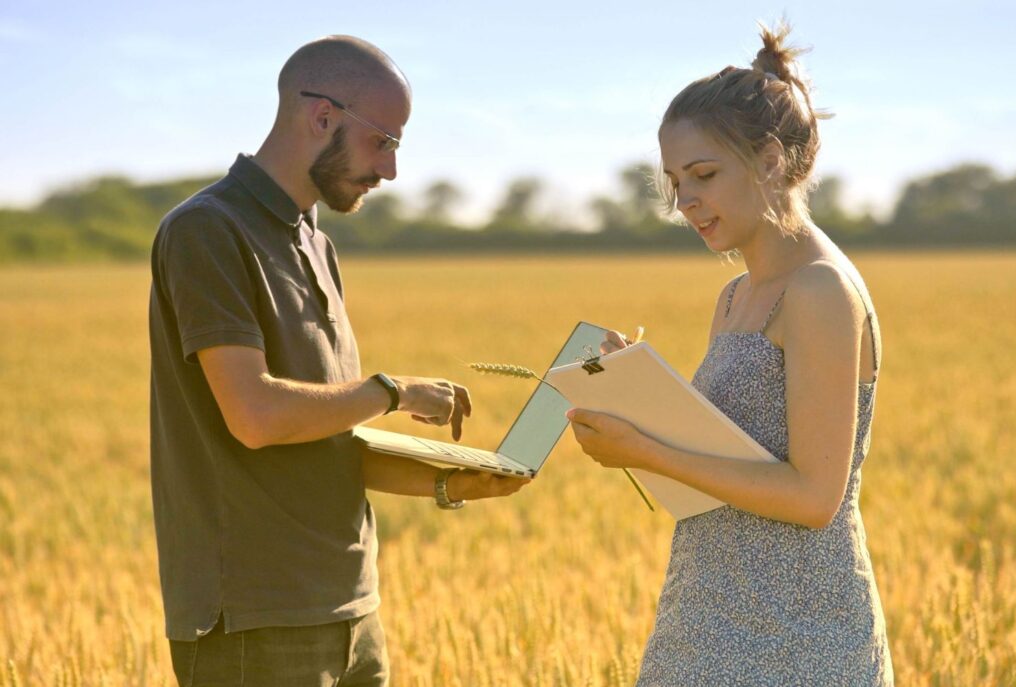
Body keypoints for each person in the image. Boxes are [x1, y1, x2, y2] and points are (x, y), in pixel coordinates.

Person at [149, 36, 528, 687]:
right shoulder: (207, 231)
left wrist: (452, 481)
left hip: (351, 608)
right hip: (256, 621)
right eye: (384, 142)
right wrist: (393, 389)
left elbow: (324, 436)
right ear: (321, 116)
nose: (390, 171)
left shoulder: (316, 243)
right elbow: (256, 414)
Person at [565, 22, 894, 686]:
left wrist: (644, 450)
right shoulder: (735, 294)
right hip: (703, 615)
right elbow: (729, 451)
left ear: (770, 160)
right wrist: (641, 392)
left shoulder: (819, 290)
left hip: (802, 637)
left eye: (704, 175)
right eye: (674, 182)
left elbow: (812, 496)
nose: (685, 202)